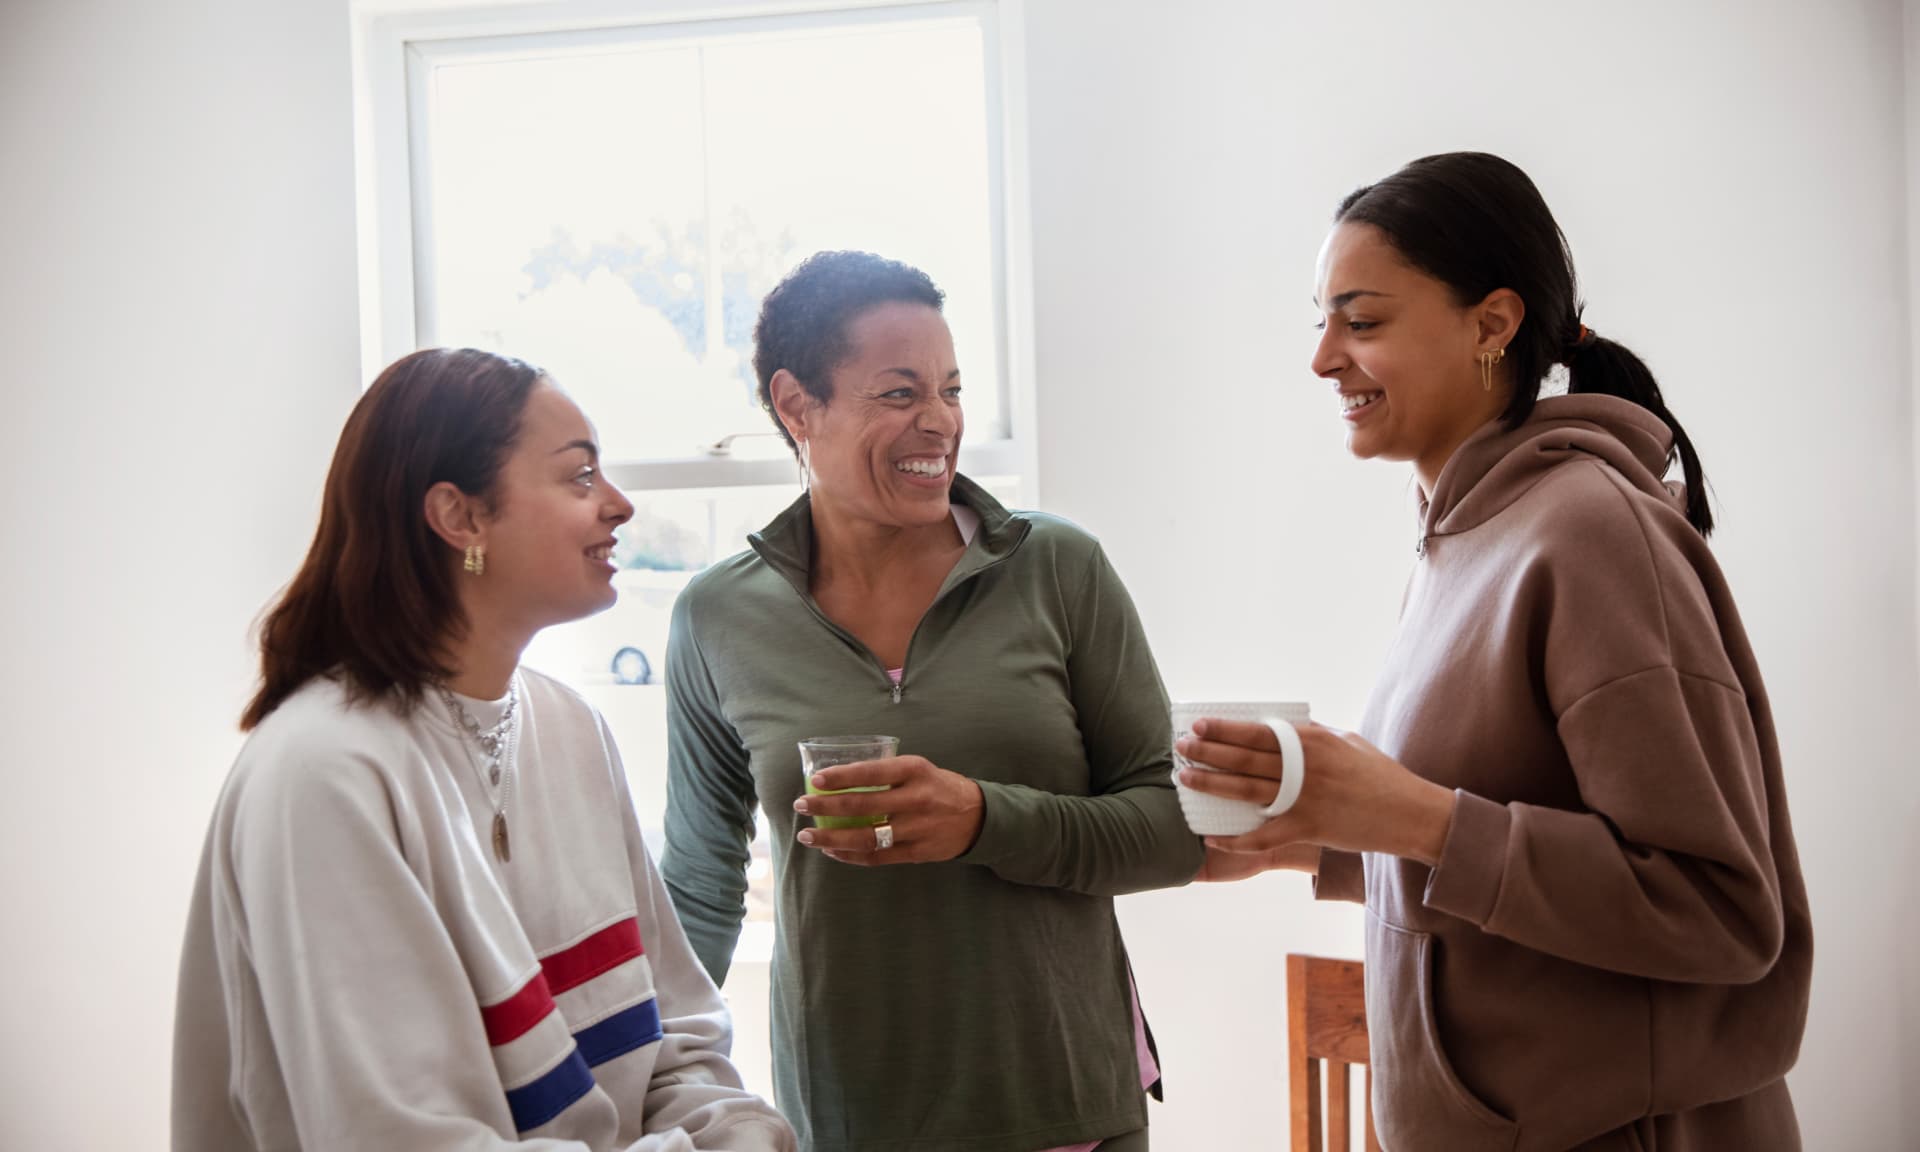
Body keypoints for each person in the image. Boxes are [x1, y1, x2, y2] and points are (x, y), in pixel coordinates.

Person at [1177, 153, 1812, 1150]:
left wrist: (1412, 817)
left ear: (1491, 324)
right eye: (1321, 321)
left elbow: (1720, 910)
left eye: (1364, 321)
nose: (1323, 359)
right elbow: (1491, 826)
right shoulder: (1462, 538)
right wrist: (1310, 839)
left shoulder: (1591, 536)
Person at [172, 348, 795, 1152]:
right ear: (460, 518)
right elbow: (406, 1137)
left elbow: (676, 1036)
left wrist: (737, 1133)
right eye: (579, 477)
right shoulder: (325, 773)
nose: (619, 506)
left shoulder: (572, 728)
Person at [661, 251, 1203, 1152]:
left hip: (1065, 1110)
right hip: (844, 1119)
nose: (940, 422)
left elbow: (1170, 830)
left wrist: (981, 819)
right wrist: (637, 1081)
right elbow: (699, 885)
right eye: (899, 392)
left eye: (951, 390)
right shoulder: (716, 616)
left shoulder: (1058, 569)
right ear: (798, 406)